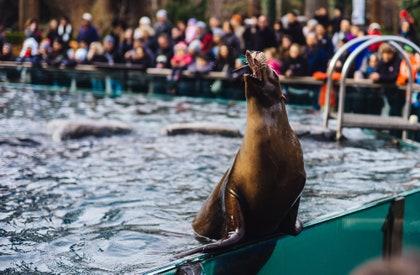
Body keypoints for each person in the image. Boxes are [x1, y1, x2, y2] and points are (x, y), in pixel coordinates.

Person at [370, 43, 402, 119]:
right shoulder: (380, 62)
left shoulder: (397, 61)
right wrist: (374, 76)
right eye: (384, 53)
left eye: (388, 53)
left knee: (392, 112)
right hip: (382, 93)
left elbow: (394, 77)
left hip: (395, 94)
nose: (386, 56)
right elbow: (376, 74)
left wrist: (380, 77)